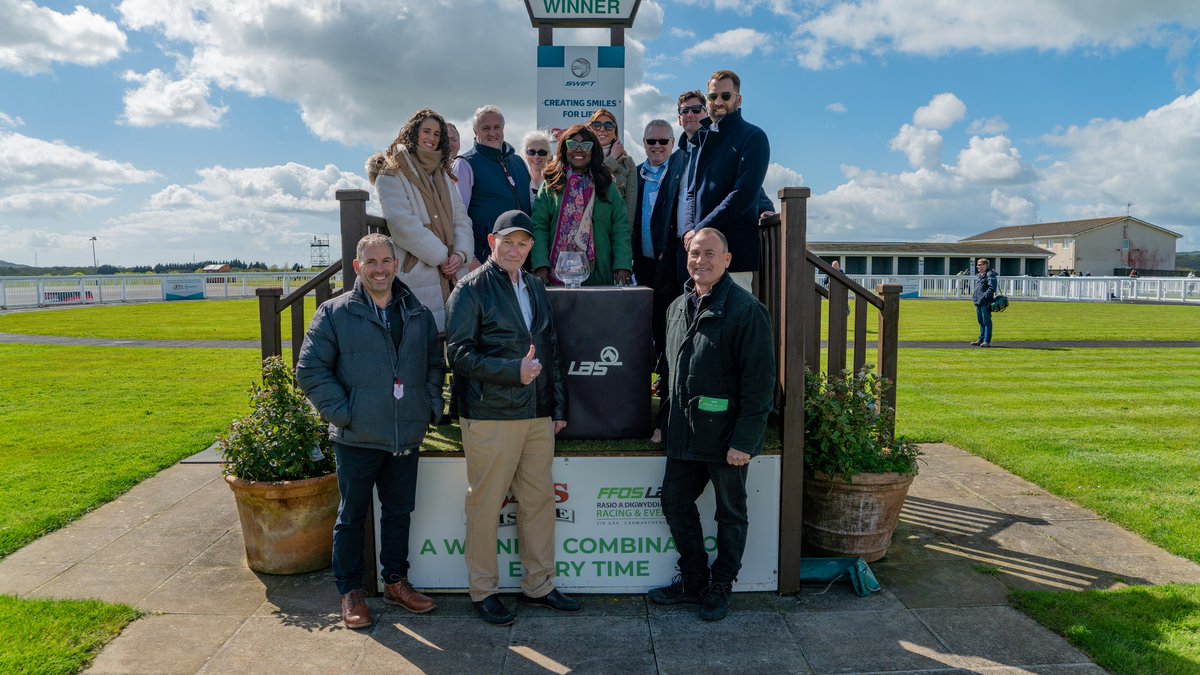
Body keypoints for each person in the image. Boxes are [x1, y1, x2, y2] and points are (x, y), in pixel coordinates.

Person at [296, 233, 445, 629]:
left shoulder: (417, 312)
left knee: (398, 513)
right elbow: (310, 370)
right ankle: (351, 592)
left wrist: (429, 405)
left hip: (404, 435)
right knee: (352, 516)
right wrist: (345, 414)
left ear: (395, 264)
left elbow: (434, 364)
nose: (379, 269)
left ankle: (396, 583)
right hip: (356, 436)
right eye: (371, 263)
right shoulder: (334, 313)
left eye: (386, 261)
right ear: (358, 268)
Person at [444, 210, 579, 626]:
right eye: (508, 241)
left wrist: (556, 408)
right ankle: (483, 591)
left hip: (537, 416)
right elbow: (458, 355)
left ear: (531, 247)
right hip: (491, 415)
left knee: (538, 503)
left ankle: (539, 586)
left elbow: (550, 348)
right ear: (491, 241)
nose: (515, 249)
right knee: (485, 505)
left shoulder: (536, 286)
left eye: (523, 243)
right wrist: (511, 373)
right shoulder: (469, 289)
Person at [648, 227, 775, 622]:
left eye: (709, 253)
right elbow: (670, 371)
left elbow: (760, 383)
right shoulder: (676, 307)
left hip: (726, 440)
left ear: (727, 260)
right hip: (683, 433)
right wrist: (661, 423)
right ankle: (694, 580)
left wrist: (744, 440)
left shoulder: (746, 310)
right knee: (674, 503)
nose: (700, 260)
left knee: (729, 514)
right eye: (694, 253)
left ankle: (721, 585)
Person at [365, 108, 473, 332]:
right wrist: (442, 256)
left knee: (455, 343)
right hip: (418, 272)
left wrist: (461, 255)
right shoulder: (391, 171)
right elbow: (401, 223)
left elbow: (461, 219)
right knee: (417, 343)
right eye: (426, 131)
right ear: (413, 132)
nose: (431, 138)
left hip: (453, 271)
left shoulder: (443, 175)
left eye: (436, 133)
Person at [681, 70, 771, 294]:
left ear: (738, 100)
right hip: (700, 257)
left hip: (734, 257)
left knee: (734, 325)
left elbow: (744, 195)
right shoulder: (703, 137)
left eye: (726, 95)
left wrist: (699, 231)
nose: (718, 102)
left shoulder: (753, 136)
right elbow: (691, 193)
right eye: (712, 97)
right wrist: (688, 231)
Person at [530, 124, 633, 287]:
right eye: (573, 144)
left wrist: (622, 265)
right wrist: (540, 265)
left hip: (599, 272)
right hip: (556, 273)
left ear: (594, 150)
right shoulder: (551, 184)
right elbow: (539, 226)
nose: (579, 150)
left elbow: (620, 227)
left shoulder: (606, 184)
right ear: (564, 148)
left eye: (586, 145)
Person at [633, 119, 684, 401]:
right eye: (651, 141)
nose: (657, 146)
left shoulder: (681, 171)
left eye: (663, 141)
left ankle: (668, 390)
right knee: (643, 330)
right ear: (643, 143)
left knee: (669, 330)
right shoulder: (635, 174)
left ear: (672, 144)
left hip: (671, 268)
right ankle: (638, 390)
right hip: (640, 267)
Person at [454, 105, 533, 266]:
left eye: (497, 127)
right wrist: (469, 258)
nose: (492, 133)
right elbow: (456, 217)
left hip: (521, 258)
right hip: (484, 260)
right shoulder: (465, 164)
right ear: (475, 132)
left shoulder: (519, 162)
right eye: (485, 128)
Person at [589, 108, 637, 230]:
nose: (602, 129)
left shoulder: (628, 162)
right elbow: (591, 183)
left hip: (615, 228)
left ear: (615, 132)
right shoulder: (582, 157)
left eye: (609, 125)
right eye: (597, 125)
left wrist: (625, 234)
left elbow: (630, 203)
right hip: (587, 227)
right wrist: (612, 159)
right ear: (590, 130)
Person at [971, 258, 998, 347]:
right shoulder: (980, 275)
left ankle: (986, 341)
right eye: (978, 264)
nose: (977, 266)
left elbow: (992, 288)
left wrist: (984, 297)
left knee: (986, 322)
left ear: (985, 266)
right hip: (978, 302)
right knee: (981, 322)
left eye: (979, 265)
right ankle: (981, 339)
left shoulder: (990, 274)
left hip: (985, 302)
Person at [521, 130, 553, 205]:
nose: (536, 156)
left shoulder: (555, 181)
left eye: (541, 152)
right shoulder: (520, 180)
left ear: (548, 155)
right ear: (525, 154)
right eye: (531, 152)